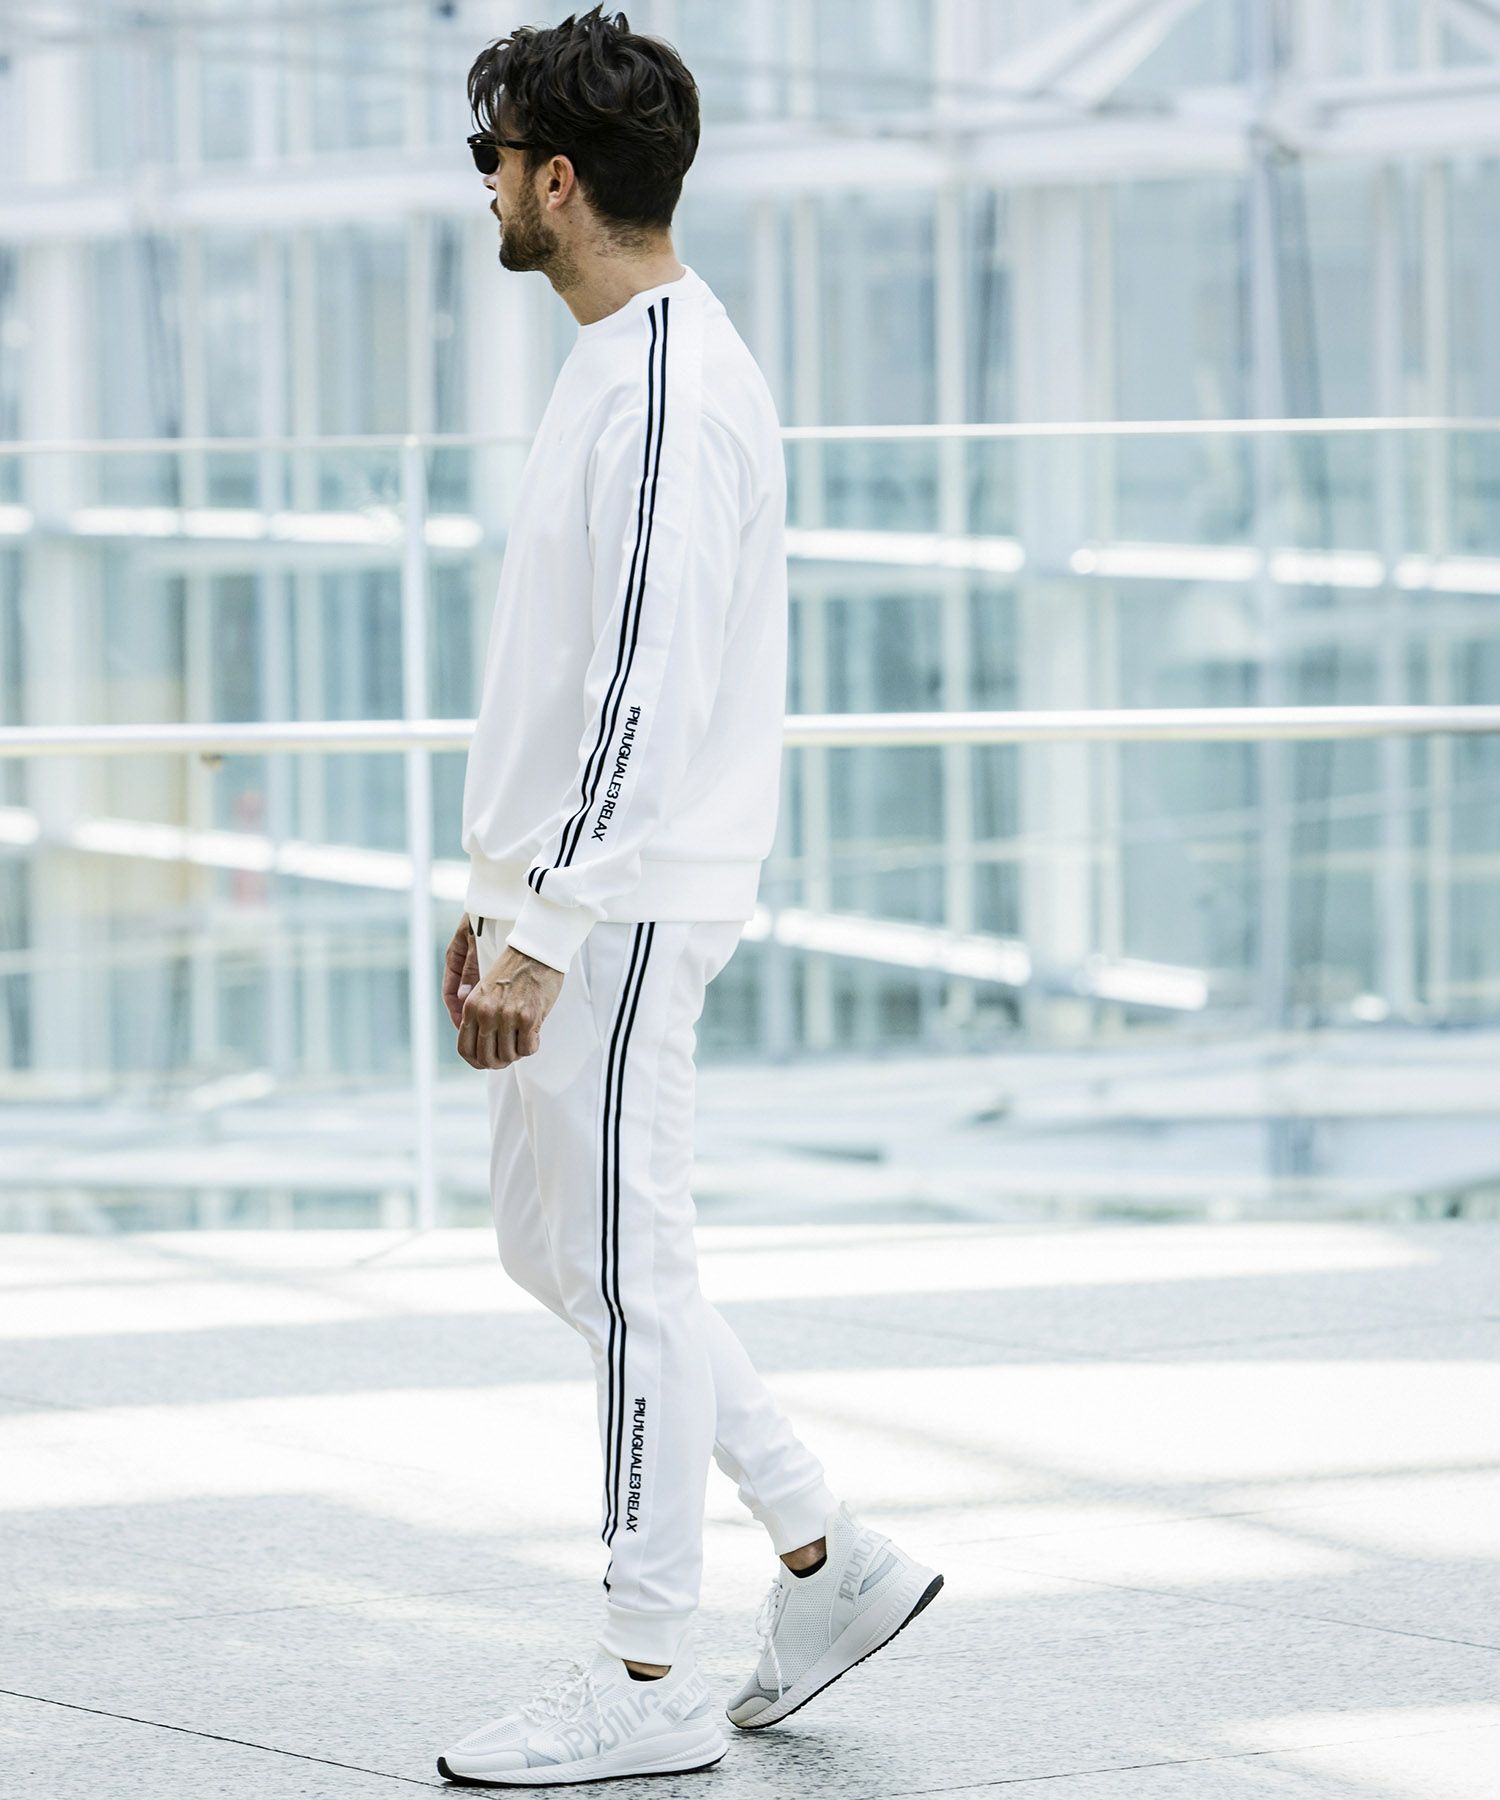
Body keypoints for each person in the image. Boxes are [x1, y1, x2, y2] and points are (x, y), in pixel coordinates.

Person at [437, 7, 942, 1785]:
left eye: (496, 158)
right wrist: (500, 891)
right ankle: (827, 1553)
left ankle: (645, 1675)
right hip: (580, 893)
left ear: (560, 182)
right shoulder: (621, 363)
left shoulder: (667, 382)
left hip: (628, 906)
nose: (487, 187)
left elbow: (643, 691)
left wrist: (553, 925)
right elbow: (570, 673)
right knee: (561, 1249)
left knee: (635, 1273)